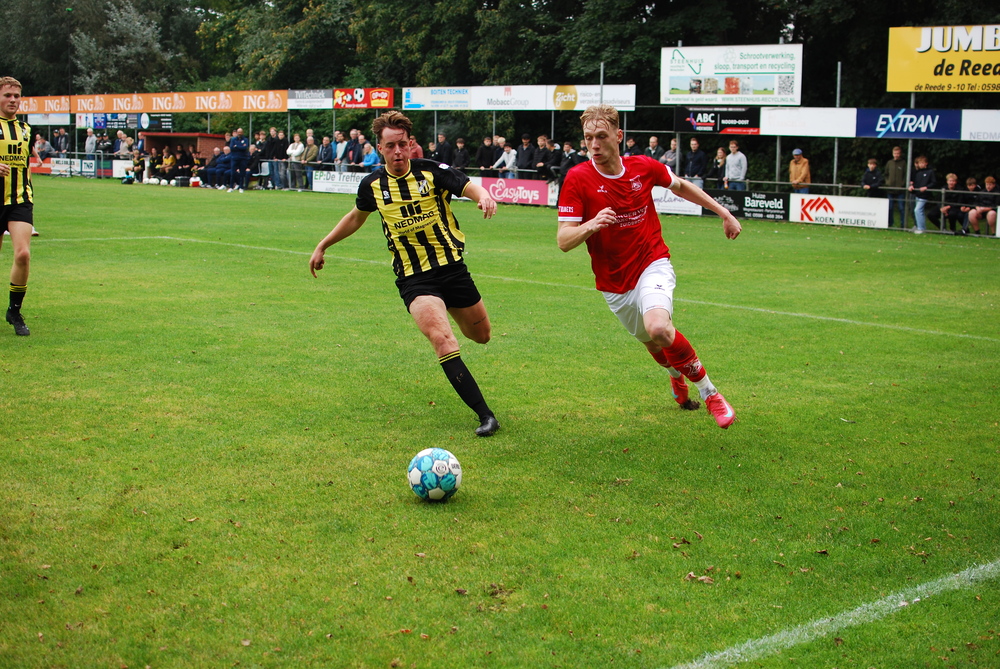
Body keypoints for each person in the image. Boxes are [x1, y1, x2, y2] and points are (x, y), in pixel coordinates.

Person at [309, 111, 501, 437]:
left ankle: (451, 309)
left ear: (411, 144)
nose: (398, 152)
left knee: (481, 336)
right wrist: (323, 245)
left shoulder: (431, 171)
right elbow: (356, 217)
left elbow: (468, 186)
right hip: (415, 279)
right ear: (380, 148)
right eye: (390, 146)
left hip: (452, 269)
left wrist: (484, 197)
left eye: (402, 144)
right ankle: (486, 416)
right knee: (442, 340)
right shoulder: (372, 185)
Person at [556, 104, 741, 429]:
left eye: (601, 136)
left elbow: (681, 185)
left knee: (659, 327)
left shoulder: (643, 167)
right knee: (653, 343)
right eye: (588, 138)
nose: (594, 145)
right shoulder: (577, 179)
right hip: (614, 283)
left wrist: (723, 212)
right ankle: (675, 377)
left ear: (618, 135)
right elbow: (564, 239)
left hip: (651, 262)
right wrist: (592, 224)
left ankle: (710, 393)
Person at [0, 77, 39, 336]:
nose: (13, 100)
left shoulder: (25, 129)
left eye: (16, 95)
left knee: (23, 254)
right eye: (7, 95)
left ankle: (14, 311)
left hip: (19, 201)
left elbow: (26, 167)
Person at [908, 155, 935, 234]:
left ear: (926, 163)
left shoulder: (930, 172)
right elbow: (916, 183)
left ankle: (921, 228)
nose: (921, 164)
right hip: (918, 194)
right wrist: (911, 187)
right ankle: (920, 226)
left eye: (923, 163)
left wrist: (926, 187)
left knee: (918, 210)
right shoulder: (918, 173)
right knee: (918, 211)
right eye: (920, 163)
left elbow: (933, 183)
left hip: (925, 195)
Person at [884, 146, 907, 227]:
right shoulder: (889, 163)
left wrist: (902, 184)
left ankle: (902, 224)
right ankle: (890, 223)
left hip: (900, 189)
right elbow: (886, 174)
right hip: (890, 189)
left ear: (900, 154)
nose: (896, 155)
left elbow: (905, 175)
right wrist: (888, 182)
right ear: (892, 154)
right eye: (895, 153)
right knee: (890, 207)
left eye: (898, 153)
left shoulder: (903, 163)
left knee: (901, 208)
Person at [229, 127, 250, 191]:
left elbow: (245, 148)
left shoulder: (245, 139)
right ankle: (231, 187)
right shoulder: (233, 139)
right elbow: (231, 147)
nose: (239, 133)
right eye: (238, 132)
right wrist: (240, 146)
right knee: (232, 173)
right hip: (234, 158)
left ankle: (241, 187)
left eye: (241, 132)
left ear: (242, 132)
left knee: (242, 173)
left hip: (243, 158)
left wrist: (237, 146)